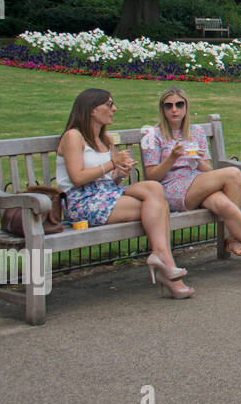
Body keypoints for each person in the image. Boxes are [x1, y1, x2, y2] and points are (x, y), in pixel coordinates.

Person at [56, 88, 193, 299]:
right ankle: (168, 265)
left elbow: (108, 179)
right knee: (158, 208)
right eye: (109, 104)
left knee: (154, 189)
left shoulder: (105, 139)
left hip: (107, 193)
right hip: (82, 201)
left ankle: (161, 259)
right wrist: (112, 163)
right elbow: (77, 177)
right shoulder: (73, 136)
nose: (114, 109)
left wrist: (119, 173)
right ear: (92, 110)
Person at [142, 86, 241, 282]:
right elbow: (152, 177)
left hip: (197, 181)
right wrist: (172, 157)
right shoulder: (153, 135)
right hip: (172, 188)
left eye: (179, 105)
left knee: (224, 205)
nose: (174, 110)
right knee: (232, 174)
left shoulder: (195, 132)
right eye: (168, 106)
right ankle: (233, 239)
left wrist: (197, 160)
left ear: (186, 107)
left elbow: (207, 171)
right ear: (162, 109)